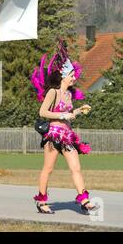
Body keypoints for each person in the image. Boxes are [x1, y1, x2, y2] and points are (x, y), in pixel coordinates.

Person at [30, 39, 99, 215]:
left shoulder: (69, 94)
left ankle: (84, 200)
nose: (74, 78)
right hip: (53, 135)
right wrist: (62, 115)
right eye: (71, 75)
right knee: (48, 168)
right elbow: (43, 111)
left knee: (76, 168)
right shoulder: (53, 92)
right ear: (63, 76)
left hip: (67, 136)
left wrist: (77, 111)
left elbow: (68, 115)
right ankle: (41, 201)